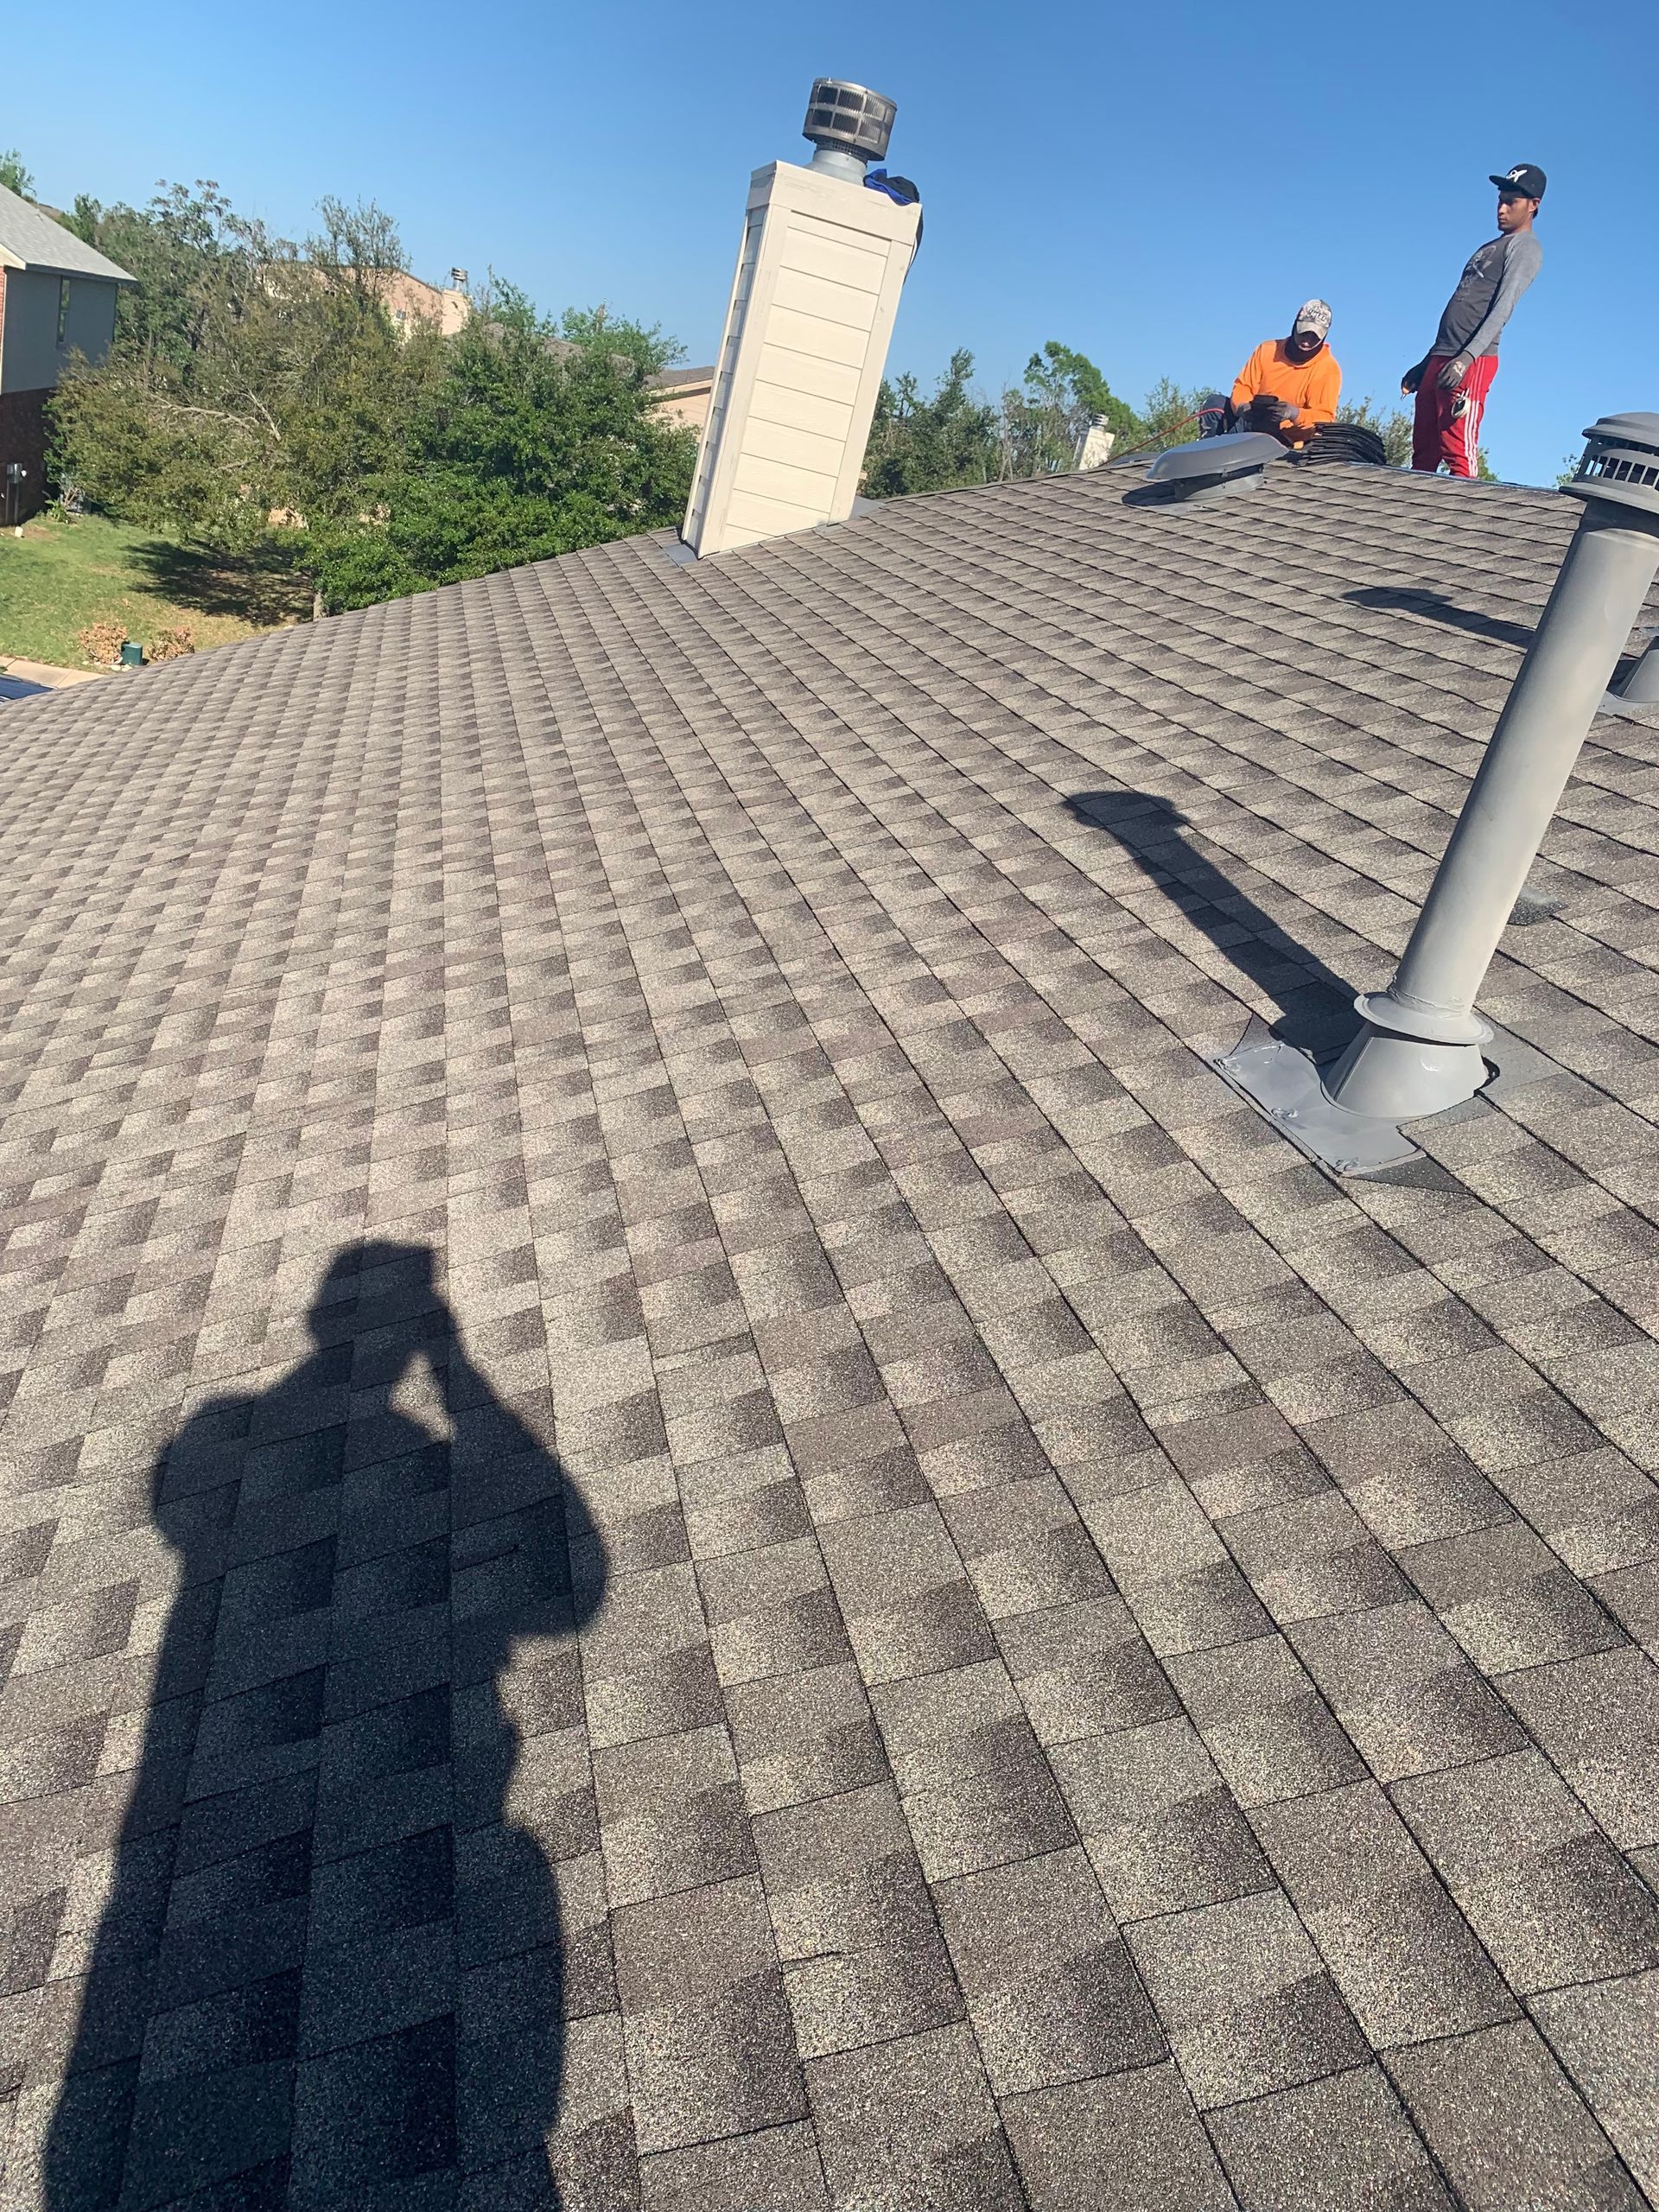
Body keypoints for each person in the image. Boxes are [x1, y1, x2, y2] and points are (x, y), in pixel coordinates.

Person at [1402, 164, 1544, 478]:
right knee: (1423, 450)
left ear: (1533, 205)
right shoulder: (1488, 247)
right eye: (1500, 200)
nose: (1502, 209)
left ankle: (1460, 519)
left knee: (1458, 453)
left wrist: (1466, 359)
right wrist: (1427, 362)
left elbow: (1503, 307)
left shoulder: (1525, 247)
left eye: (1512, 202)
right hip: (1442, 355)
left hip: (1472, 360)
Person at [1198, 301, 1341, 443]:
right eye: (1304, 333)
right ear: (1295, 325)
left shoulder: (1328, 369)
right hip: (1250, 421)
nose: (1307, 341)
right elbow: (1243, 386)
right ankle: (1204, 452)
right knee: (1214, 403)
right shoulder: (1267, 350)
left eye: (1314, 337)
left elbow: (1325, 418)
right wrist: (1243, 407)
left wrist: (1293, 413)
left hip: (1285, 438)